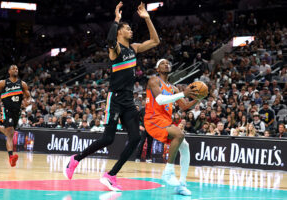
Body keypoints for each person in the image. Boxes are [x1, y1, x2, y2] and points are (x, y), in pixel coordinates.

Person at [64, 2, 160, 191]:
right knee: (108, 139)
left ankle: (110, 175)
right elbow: (109, 40)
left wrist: (148, 18)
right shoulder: (115, 49)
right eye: (128, 28)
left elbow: (155, 41)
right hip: (115, 98)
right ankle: (75, 159)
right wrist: (116, 19)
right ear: (119, 31)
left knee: (135, 137)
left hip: (128, 100)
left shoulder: (134, 48)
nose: (131, 30)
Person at [144, 58, 201, 196]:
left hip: (165, 121)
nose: (166, 64)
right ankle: (168, 171)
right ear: (158, 69)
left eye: (168, 63)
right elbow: (160, 99)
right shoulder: (154, 80)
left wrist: (199, 97)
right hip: (153, 119)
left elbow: (185, 106)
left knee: (185, 146)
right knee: (179, 134)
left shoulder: (173, 88)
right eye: (162, 63)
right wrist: (183, 94)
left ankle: (181, 184)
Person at [0, 65, 31, 167]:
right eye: (13, 69)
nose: (15, 70)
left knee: (9, 133)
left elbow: (29, 97)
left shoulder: (22, 84)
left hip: (17, 111)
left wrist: (27, 102)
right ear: (9, 71)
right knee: (10, 133)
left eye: (16, 69)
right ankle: (11, 157)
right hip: (6, 109)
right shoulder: (3, 83)